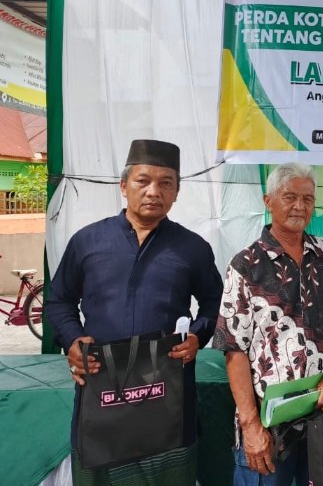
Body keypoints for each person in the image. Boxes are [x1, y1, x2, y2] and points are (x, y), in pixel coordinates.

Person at [44, 138, 223, 485]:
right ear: (124, 186)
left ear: (176, 193)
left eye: (166, 183)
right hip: (101, 386)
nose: (154, 191)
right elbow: (59, 300)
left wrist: (197, 336)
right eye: (143, 181)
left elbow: (216, 304)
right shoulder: (87, 241)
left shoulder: (193, 248)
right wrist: (73, 340)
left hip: (167, 392)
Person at [213, 162, 323, 486]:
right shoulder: (246, 265)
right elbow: (233, 348)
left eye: (308, 199)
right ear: (268, 201)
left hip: (321, 414)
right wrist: (251, 426)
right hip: (268, 425)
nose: (299, 206)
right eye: (290, 197)